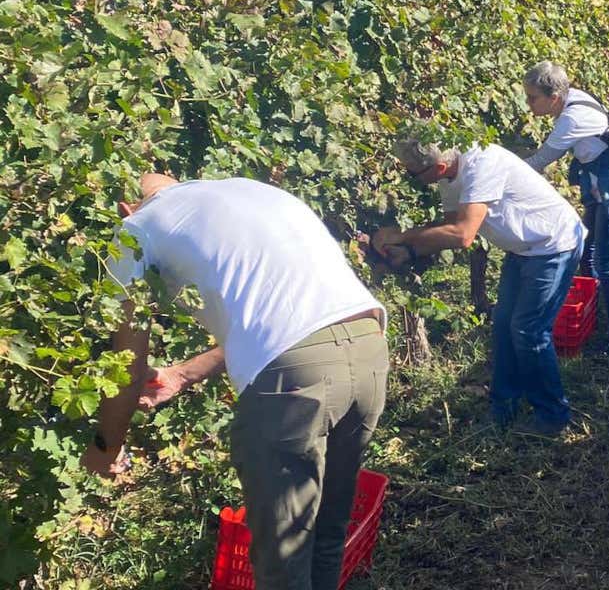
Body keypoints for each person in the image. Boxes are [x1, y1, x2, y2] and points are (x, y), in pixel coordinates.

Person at [84, 174, 388, 590]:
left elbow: (125, 364)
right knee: (327, 530)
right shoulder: (246, 191)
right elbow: (287, 323)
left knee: (284, 557)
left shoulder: (134, 229)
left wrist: (106, 448)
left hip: (295, 381)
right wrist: (183, 374)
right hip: (369, 345)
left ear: (125, 207)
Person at [372, 138, 584, 434]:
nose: (412, 180)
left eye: (413, 174)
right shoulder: (449, 174)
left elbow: (462, 234)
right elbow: (446, 227)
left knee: (528, 330)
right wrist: (409, 252)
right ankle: (504, 407)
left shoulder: (482, 163)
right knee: (503, 325)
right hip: (525, 248)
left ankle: (552, 417)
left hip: (553, 243)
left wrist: (402, 235)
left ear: (439, 166)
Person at [523, 61, 609, 355]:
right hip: (599, 184)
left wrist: (500, 169)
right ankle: (589, 315)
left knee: (605, 261)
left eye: (532, 98)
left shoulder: (571, 119)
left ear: (553, 97)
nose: (528, 105)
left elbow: (540, 162)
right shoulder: (574, 97)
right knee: (588, 251)